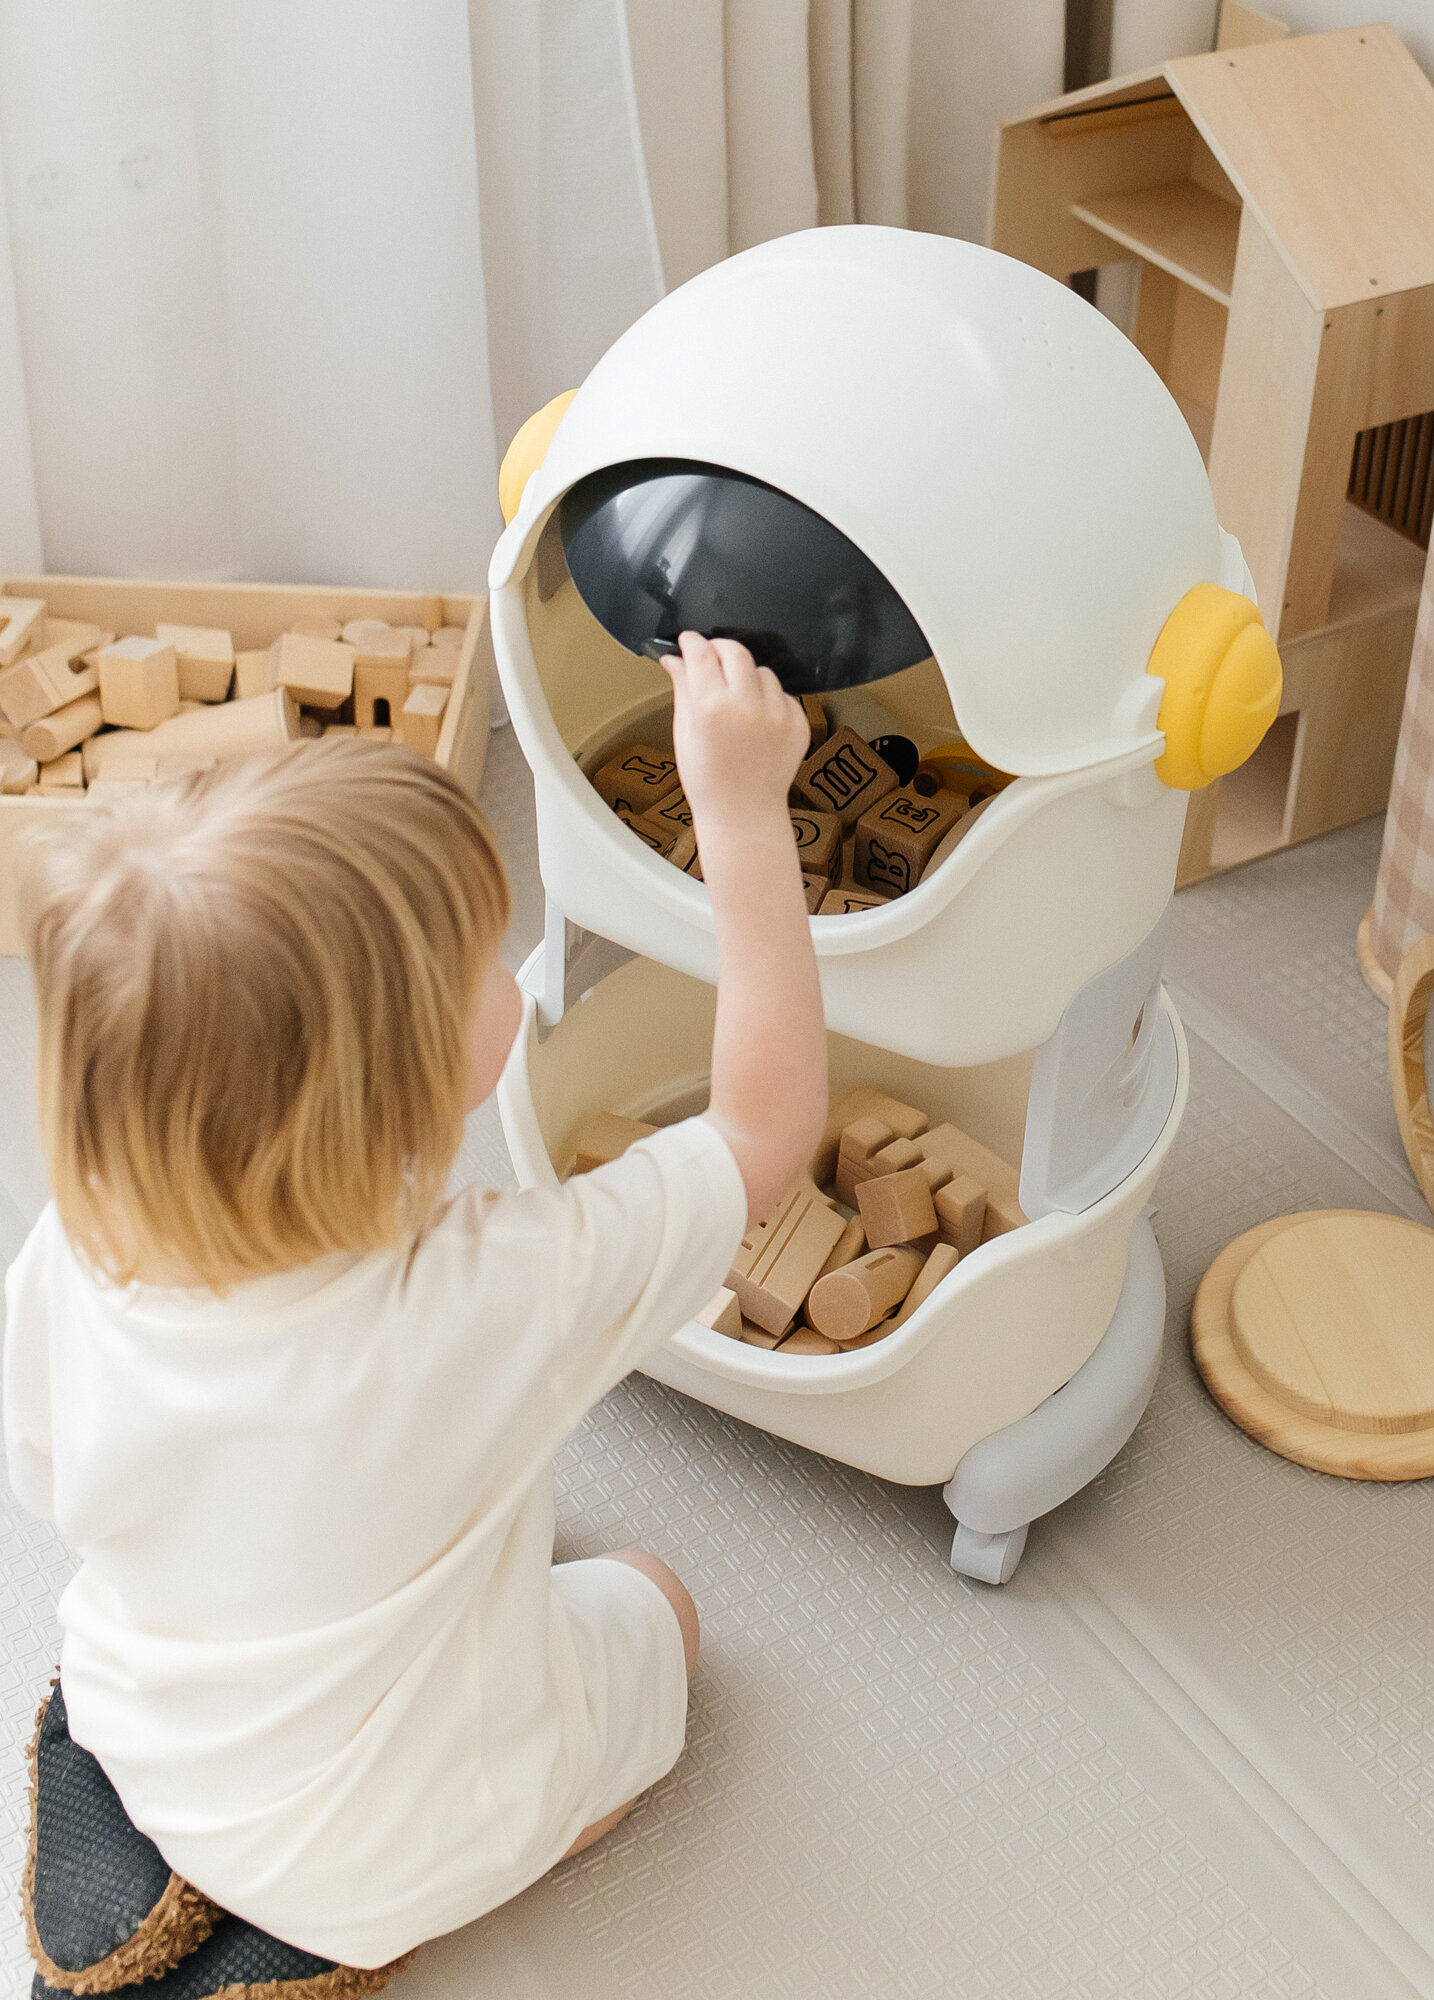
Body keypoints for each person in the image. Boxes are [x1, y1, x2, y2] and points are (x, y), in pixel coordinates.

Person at [3, 633, 825, 1968]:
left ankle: (173, 1858)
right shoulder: (492, 1295)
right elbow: (765, 1131)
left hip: (146, 1721)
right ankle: (339, 1916)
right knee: (659, 1602)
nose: (511, 971)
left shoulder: (79, 1242)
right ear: (392, 1093)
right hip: (391, 1837)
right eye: (482, 964)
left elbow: (51, 1476)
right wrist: (743, 817)